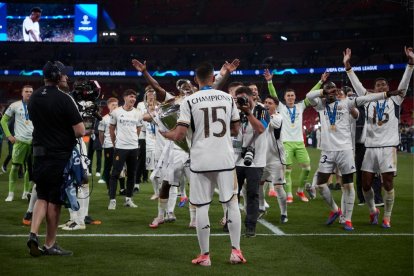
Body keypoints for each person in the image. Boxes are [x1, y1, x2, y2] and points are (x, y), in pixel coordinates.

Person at [161, 62, 245, 266]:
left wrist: (167, 134)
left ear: (196, 80)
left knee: (201, 207)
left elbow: (180, 134)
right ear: (213, 77)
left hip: (200, 159)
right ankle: (236, 252)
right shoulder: (227, 98)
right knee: (231, 203)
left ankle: (205, 256)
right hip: (224, 158)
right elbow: (235, 130)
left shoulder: (189, 100)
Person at [306, 81, 403, 231]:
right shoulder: (320, 105)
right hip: (327, 150)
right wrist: (323, 92)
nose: (332, 92)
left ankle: (348, 220)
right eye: (329, 90)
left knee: (348, 185)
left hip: (345, 150)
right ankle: (335, 209)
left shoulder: (346, 103)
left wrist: (387, 94)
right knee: (320, 184)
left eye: (334, 90)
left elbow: (366, 100)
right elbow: (308, 95)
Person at [343, 46, 414, 228]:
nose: (382, 87)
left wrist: (410, 63)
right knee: (366, 185)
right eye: (378, 85)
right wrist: (348, 66)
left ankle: (387, 217)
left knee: (388, 184)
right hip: (370, 147)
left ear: (388, 87)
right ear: (374, 89)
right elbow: (357, 86)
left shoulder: (395, 99)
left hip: (388, 148)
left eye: (384, 85)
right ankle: (373, 210)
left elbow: (404, 84)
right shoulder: (367, 100)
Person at [27, 61, 85, 257]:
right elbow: (80, 131)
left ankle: (33, 234)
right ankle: (50, 243)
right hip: (58, 156)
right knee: (55, 200)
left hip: (38, 153)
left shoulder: (33, 97)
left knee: (41, 195)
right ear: (58, 76)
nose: (66, 77)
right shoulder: (64, 98)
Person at [264, 69, 329, 203]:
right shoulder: (280, 107)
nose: (290, 97)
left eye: (292, 95)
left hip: (299, 143)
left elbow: (310, 94)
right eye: (288, 95)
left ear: (295, 96)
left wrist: (321, 82)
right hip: (286, 142)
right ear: (285, 97)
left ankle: (300, 190)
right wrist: (270, 81)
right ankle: (289, 195)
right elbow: (273, 94)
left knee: (307, 168)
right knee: (287, 170)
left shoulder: (301, 106)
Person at [234, 86, 269, 237]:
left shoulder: (262, 110)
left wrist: (248, 112)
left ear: (251, 97)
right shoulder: (235, 111)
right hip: (236, 158)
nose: (241, 101)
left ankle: (250, 226)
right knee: (233, 194)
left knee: (252, 194)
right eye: (238, 98)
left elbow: (260, 129)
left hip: (256, 160)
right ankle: (232, 221)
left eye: (243, 98)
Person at [107, 89, 143, 210]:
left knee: (132, 174)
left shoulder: (138, 113)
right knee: (115, 174)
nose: (133, 99)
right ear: (125, 98)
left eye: (135, 97)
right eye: (131, 96)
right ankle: (112, 200)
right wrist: (114, 143)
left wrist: (133, 140)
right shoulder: (116, 112)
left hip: (133, 148)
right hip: (120, 148)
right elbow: (111, 128)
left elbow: (138, 129)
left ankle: (128, 199)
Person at [1, 85, 34, 202]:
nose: (29, 93)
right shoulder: (15, 105)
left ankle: (26, 192)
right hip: (20, 141)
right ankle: (11, 194)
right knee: (15, 167)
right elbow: (3, 120)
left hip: (34, 142)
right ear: (22, 93)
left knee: (29, 170)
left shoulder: (37, 105)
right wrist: (9, 135)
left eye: (31, 91)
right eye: (26, 91)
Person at [260, 96, 287, 223]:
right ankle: (261, 208)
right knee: (258, 184)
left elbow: (273, 125)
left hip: (276, 159)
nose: (266, 104)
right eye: (265, 102)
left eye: (269, 103)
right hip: (261, 158)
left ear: (275, 105)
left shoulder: (278, 117)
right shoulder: (261, 115)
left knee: (278, 187)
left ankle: (284, 213)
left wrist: (260, 108)